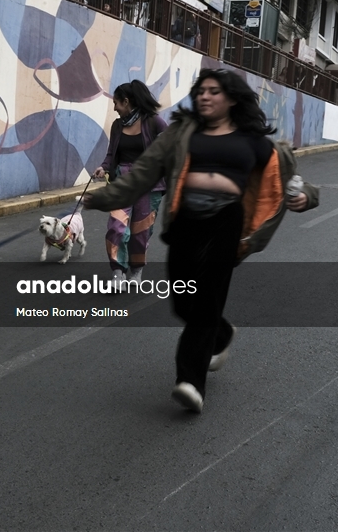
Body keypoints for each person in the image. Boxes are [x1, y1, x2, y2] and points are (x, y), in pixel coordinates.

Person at [83, 69, 319, 413]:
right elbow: (145, 172)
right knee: (183, 301)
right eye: (202, 91)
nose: (205, 97)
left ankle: (191, 382)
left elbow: (293, 182)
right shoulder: (181, 133)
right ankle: (220, 334)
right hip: (186, 223)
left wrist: (306, 197)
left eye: (214, 91)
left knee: (206, 300)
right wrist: (103, 199)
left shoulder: (253, 141)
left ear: (233, 99)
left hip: (227, 223)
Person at [92, 81, 168, 290]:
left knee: (140, 232)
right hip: (123, 182)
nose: (114, 107)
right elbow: (111, 153)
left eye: (116, 103)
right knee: (116, 227)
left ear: (127, 102)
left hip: (149, 184)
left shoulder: (155, 123)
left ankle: (137, 271)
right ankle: (118, 272)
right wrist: (104, 168)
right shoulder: (117, 125)